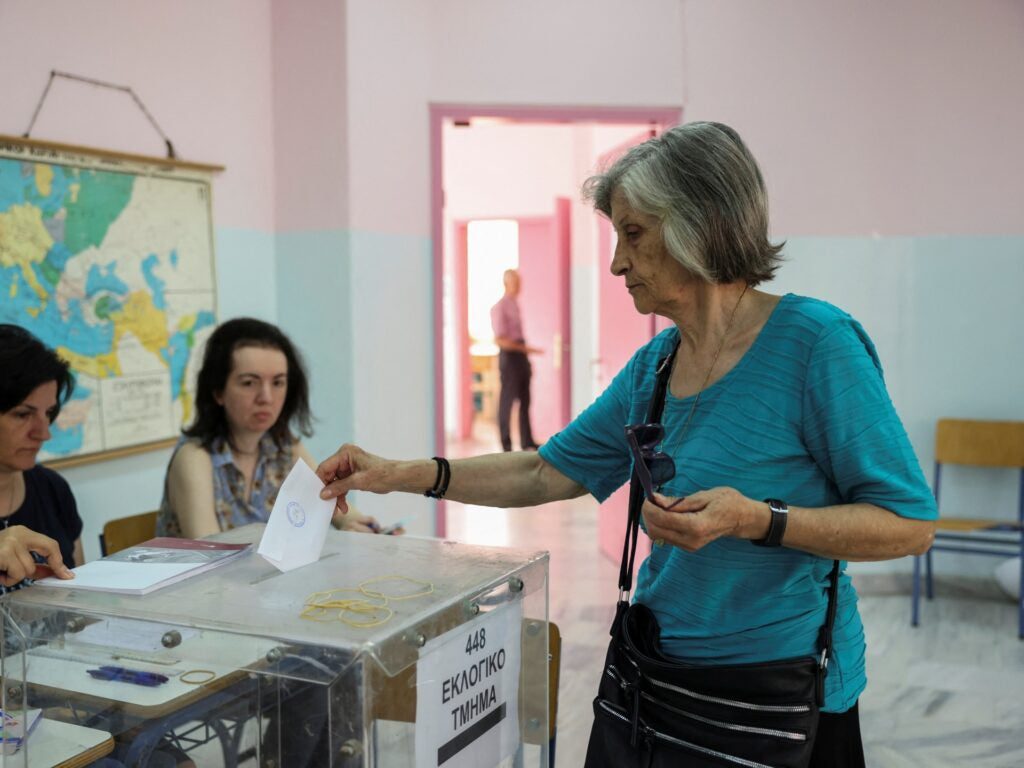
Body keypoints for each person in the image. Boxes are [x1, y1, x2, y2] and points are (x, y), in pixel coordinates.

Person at [316, 122, 938, 766]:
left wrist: (755, 519)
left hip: (776, 694)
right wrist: (396, 474)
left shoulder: (816, 344)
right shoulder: (657, 364)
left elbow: (908, 526)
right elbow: (542, 471)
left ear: (700, 225)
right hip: (657, 675)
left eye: (633, 233)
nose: (616, 261)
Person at [157, 317, 380, 538]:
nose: (266, 397)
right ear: (218, 391)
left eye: (277, 383)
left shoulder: (283, 446)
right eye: (249, 383)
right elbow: (209, 554)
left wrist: (365, 527)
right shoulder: (194, 457)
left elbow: (332, 503)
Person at [0, 324, 81, 592]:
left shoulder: (52, 488)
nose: (43, 433)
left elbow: (80, 600)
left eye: (48, 413)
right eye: (23, 414)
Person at [490, 269, 543, 451]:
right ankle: (506, 444)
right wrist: (526, 349)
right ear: (507, 283)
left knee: (525, 400)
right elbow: (500, 340)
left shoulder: (515, 305)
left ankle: (527, 441)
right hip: (510, 357)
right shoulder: (499, 307)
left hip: (520, 357)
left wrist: (526, 356)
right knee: (507, 401)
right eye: (515, 282)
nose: (519, 286)